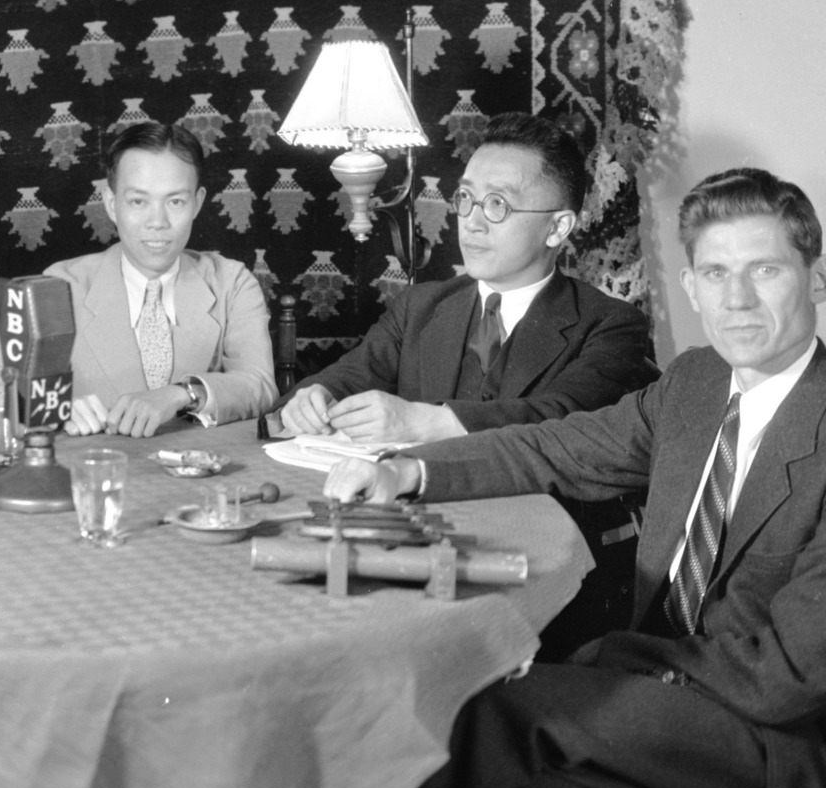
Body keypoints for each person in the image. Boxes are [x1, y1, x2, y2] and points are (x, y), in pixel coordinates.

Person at [316, 167, 826, 788]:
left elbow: (790, 676)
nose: (737, 299)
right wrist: (410, 470)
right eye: (716, 273)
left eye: (765, 270)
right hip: (675, 711)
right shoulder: (696, 383)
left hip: (793, 748)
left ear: (820, 277)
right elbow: (557, 446)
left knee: (475, 706)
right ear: (691, 286)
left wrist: (615, 660)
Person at [274, 112, 659, 655]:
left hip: (534, 567)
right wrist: (312, 399)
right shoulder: (420, 306)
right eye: (466, 200)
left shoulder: (610, 325)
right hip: (406, 542)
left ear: (557, 228)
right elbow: (345, 376)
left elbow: (562, 419)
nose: (472, 223)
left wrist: (428, 421)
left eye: (497, 205)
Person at [0, 120, 276, 436]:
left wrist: (183, 393)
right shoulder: (59, 286)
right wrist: (49, 406)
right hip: (93, 466)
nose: (157, 222)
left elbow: (259, 385)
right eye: (138, 201)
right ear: (111, 203)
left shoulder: (232, 282)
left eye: (175, 201)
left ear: (197, 203)